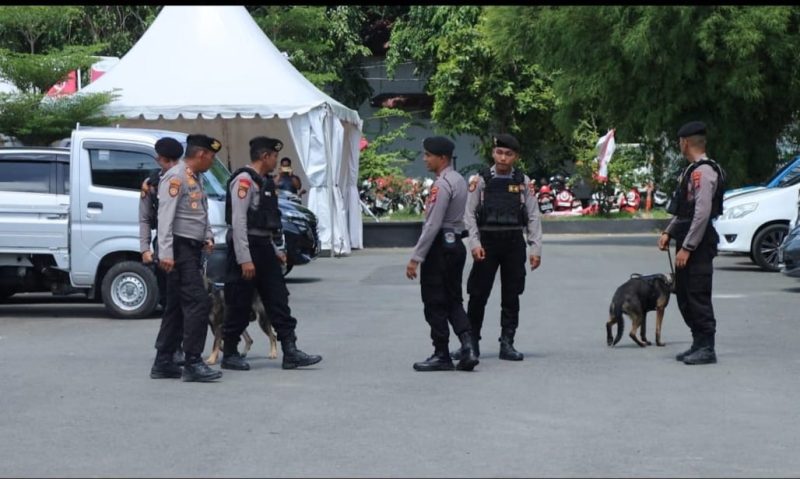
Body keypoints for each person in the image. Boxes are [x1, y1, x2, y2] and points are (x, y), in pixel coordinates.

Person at [221, 136, 321, 371]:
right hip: (246, 247)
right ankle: (229, 353)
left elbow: (264, 223)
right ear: (265, 156)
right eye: (274, 156)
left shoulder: (264, 181)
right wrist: (244, 259)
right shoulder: (244, 182)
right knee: (239, 302)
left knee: (278, 299)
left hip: (264, 247)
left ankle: (291, 350)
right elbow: (239, 222)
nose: (277, 160)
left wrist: (275, 250)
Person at [458, 133, 542, 362]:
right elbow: (469, 215)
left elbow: (533, 216)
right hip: (487, 243)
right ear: (493, 153)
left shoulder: (523, 182)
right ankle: (471, 342)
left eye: (508, 154)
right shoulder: (481, 180)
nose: (503, 158)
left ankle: (507, 343)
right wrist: (474, 244)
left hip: (514, 242)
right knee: (478, 294)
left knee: (512, 294)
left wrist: (535, 248)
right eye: (499, 152)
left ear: (515, 156)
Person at [150, 134, 222, 382]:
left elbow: (200, 212)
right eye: (211, 157)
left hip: (191, 247)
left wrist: (208, 235)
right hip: (178, 249)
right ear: (201, 154)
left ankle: (163, 361)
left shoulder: (195, 178)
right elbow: (165, 218)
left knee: (176, 307)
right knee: (198, 303)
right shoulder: (176, 176)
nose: (212, 161)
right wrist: (166, 253)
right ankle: (192, 361)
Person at [405, 136, 479, 372]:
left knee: (434, 302)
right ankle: (468, 346)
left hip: (439, 248)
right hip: (456, 244)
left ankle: (441, 354)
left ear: (442, 158)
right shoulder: (458, 180)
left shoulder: (441, 184)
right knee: (454, 299)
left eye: (428, 155)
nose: (425, 159)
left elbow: (432, 224)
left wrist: (416, 257)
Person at [658, 121, 725, 365]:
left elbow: (701, 213)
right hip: (687, 239)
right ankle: (697, 342)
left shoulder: (704, 172)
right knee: (684, 294)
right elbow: (685, 209)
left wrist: (687, 247)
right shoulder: (692, 170)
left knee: (697, 293)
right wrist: (669, 231)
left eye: (679, 142)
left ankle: (707, 348)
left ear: (685, 142)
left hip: (698, 243)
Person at [139, 137, 184, 363]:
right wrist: (145, 247)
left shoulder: (186, 178)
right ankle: (171, 349)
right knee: (169, 301)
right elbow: (145, 218)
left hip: (186, 245)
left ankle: (179, 346)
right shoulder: (152, 183)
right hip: (164, 246)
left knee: (185, 300)